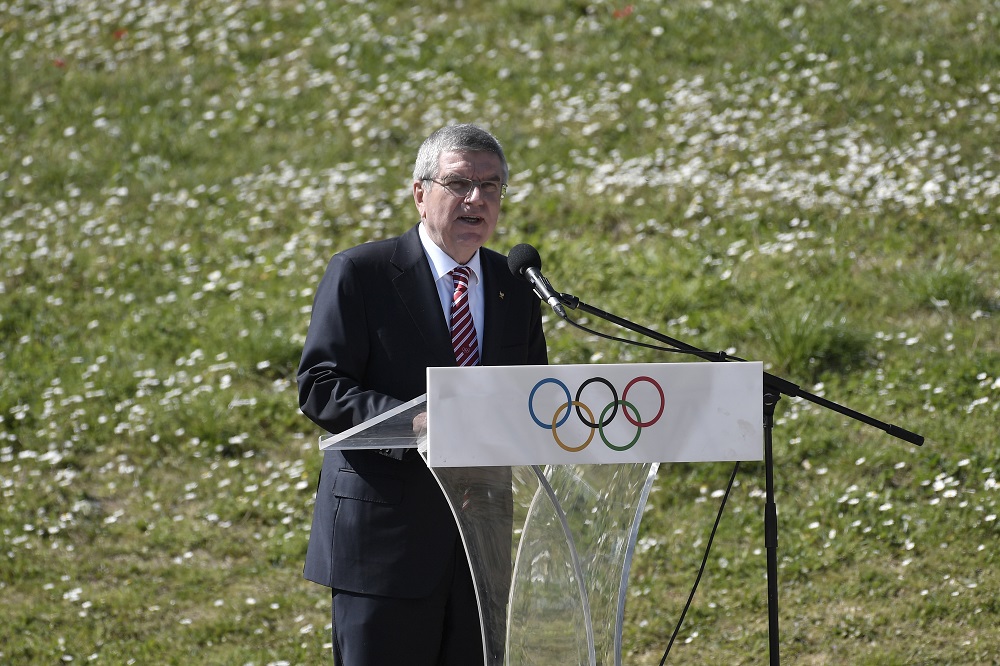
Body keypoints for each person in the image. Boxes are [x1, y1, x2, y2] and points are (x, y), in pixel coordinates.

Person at [297, 124, 548, 665]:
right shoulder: (361, 274)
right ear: (420, 191)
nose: (477, 199)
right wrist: (412, 422)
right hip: (385, 544)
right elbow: (319, 385)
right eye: (459, 184)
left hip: (480, 546)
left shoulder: (514, 285)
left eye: (492, 186)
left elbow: (530, 394)